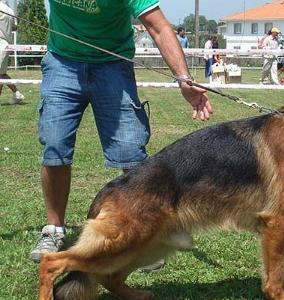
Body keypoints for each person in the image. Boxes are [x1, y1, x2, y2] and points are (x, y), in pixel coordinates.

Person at [30, 1, 213, 263]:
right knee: (55, 147)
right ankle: (53, 230)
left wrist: (183, 79)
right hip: (62, 63)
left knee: (130, 151)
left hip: (113, 65)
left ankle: (146, 233)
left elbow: (158, 27)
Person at [0, 0, 24, 104]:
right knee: (2, 73)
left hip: (1, 43)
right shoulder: (9, 10)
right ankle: (17, 94)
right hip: (7, 44)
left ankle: (16, 94)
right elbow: (15, 28)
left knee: (0, 74)